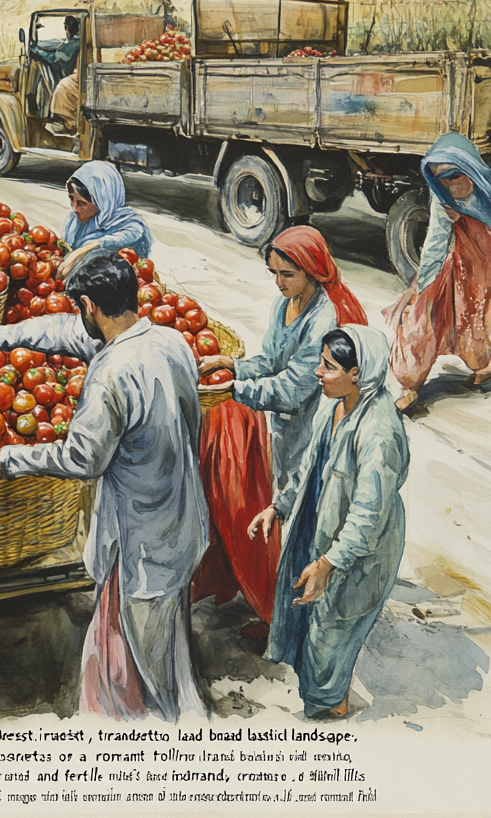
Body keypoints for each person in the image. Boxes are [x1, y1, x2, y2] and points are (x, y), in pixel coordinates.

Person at [0, 253, 209, 722]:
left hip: (139, 536)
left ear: (90, 305)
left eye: (79, 309)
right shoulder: (168, 340)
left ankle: (161, 751)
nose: (77, 319)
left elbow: (81, 459)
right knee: (167, 645)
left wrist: (3, 459)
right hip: (180, 516)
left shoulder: (112, 372)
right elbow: (59, 332)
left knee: (145, 664)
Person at [248, 326, 409, 719]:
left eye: (329, 366)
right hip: (322, 530)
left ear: (357, 373)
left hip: (358, 552)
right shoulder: (336, 406)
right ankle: (323, 698)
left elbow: (368, 516)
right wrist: (280, 506)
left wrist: (327, 563)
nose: (318, 373)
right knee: (311, 623)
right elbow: (308, 469)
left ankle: (329, 710)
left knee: (330, 632)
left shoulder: (379, 432)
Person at [199, 226, 368, 495]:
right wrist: (233, 366)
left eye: (287, 274)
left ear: (311, 271)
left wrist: (234, 389)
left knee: (301, 491)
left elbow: (293, 391)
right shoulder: (283, 305)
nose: (279, 282)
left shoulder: (322, 320)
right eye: (274, 273)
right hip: (284, 423)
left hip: (311, 424)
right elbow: (270, 360)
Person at [384, 132, 491, 412]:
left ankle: (485, 365)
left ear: (470, 169)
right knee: (423, 315)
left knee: (483, 321)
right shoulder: (441, 196)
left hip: (488, 270)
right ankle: (410, 384)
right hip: (463, 268)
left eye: (454, 175)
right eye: (440, 178)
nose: (448, 184)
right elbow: (435, 241)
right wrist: (421, 286)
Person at [57, 162, 153, 278]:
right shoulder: (74, 221)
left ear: (101, 201)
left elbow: (123, 237)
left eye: (82, 203)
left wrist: (85, 250)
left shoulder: (130, 224)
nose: (74, 207)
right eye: (71, 198)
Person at [32, 16, 81, 132]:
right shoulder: (75, 42)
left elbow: (56, 59)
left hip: (72, 75)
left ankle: (61, 118)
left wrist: (37, 51)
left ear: (67, 29)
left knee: (57, 85)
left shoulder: (73, 44)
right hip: (74, 73)